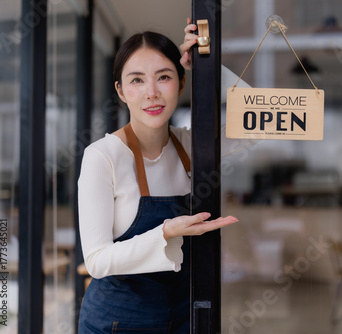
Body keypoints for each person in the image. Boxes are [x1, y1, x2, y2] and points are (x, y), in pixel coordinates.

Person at [78, 20, 238, 333]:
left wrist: (207, 68)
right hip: (115, 323)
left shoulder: (192, 144)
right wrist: (164, 233)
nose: (152, 93)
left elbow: (255, 129)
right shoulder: (102, 156)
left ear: (181, 83)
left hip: (182, 318)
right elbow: (96, 261)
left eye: (163, 77)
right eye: (136, 80)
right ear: (121, 92)